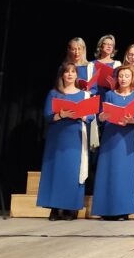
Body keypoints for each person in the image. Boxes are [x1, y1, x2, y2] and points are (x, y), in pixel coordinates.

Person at [38, 63, 94, 221]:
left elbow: (91, 117)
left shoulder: (84, 95)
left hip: (75, 137)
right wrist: (61, 115)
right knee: (56, 171)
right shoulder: (54, 93)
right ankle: (54, 209)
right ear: (62, 75)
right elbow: (48, 115)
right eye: (67, 72)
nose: (70, 74)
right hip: (57, 137)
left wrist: (82, 115)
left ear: (77, 75)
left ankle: (70, 209)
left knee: (72, 171)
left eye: (73, 72)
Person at [92, 66, 134, 220]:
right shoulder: (109, 95)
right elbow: (101, 115)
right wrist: (102, 117)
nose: (123, 79)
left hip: (127, 138)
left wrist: (132, 120)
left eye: (127, 76)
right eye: (121, 76)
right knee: (108, 172)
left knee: (124, 174)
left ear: (132, 78)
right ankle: (105, 210)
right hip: (110, 137)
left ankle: (123, 211)